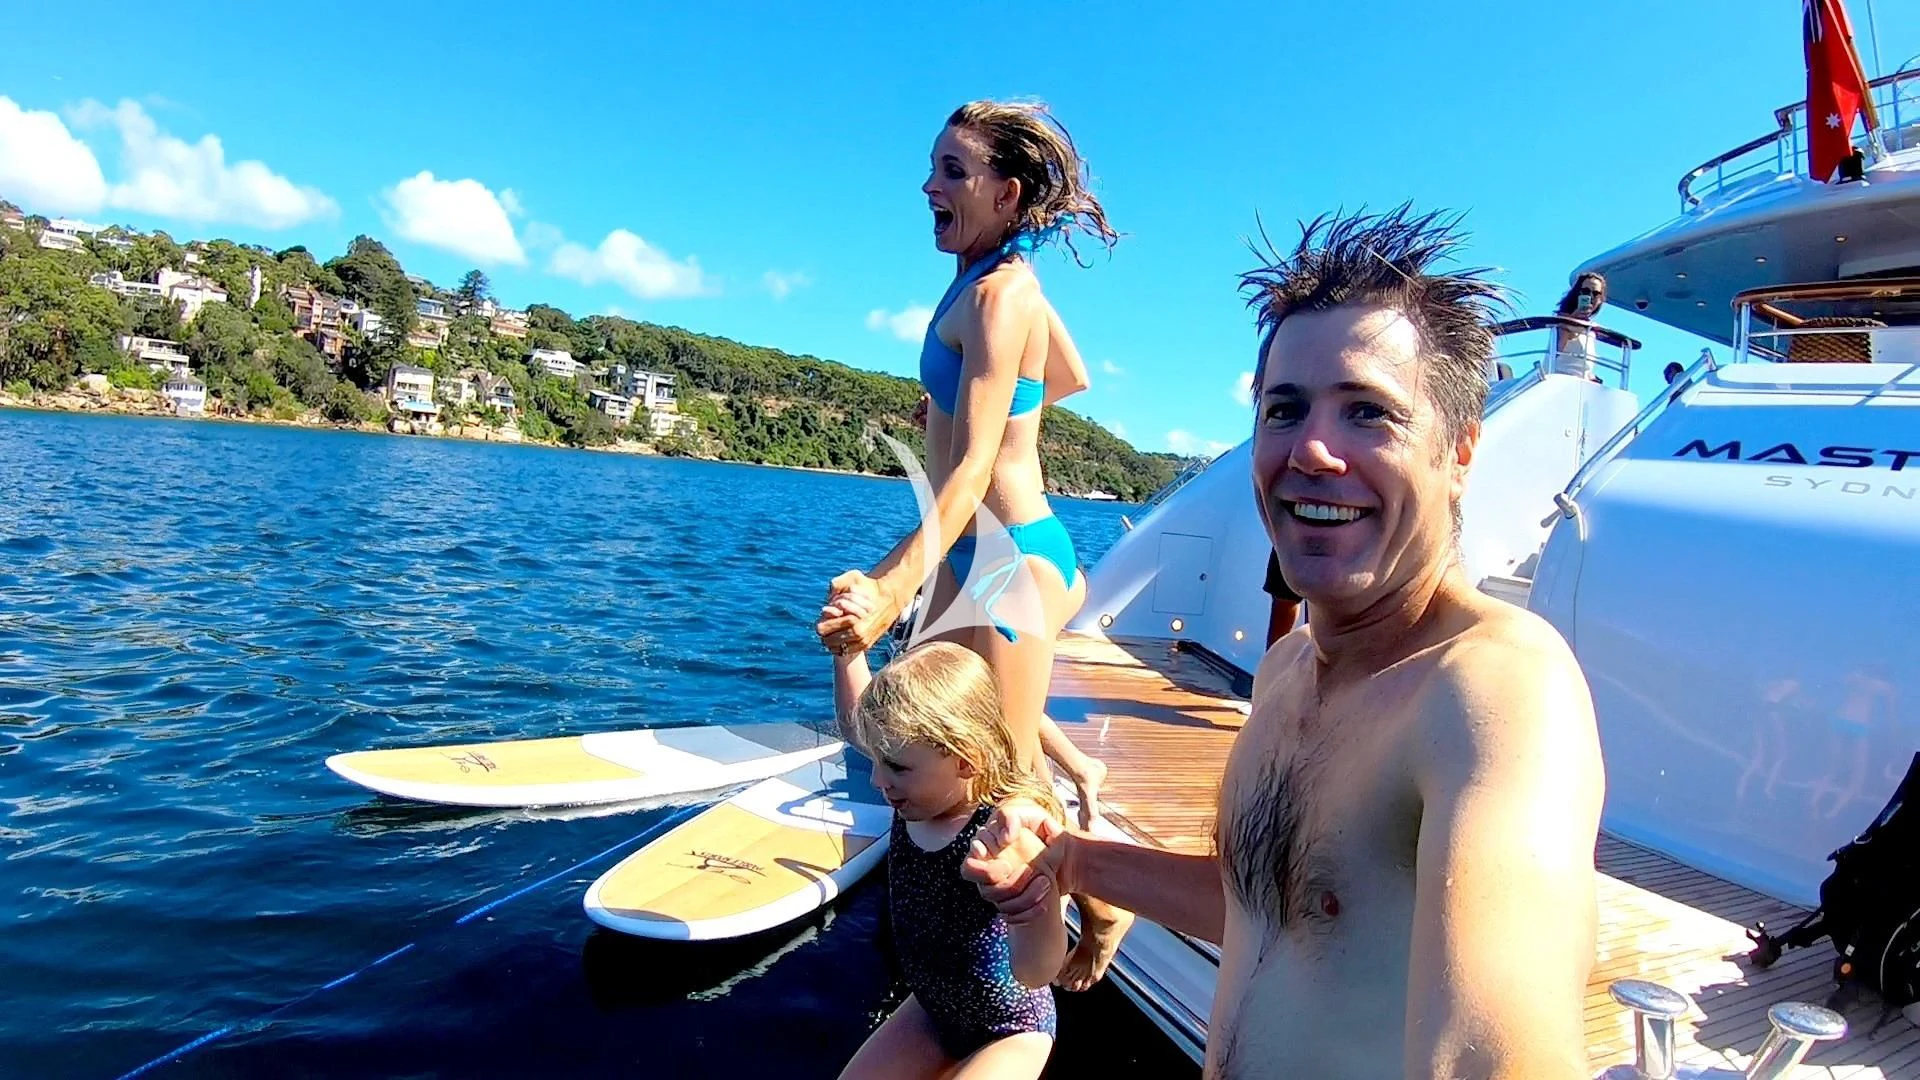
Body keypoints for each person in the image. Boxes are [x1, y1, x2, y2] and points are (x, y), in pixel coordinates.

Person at [962, 205, 1607, 1079]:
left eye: (1368, 414)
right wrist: (1071, 859)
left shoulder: (1495, 689)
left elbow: (1492, 1054)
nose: (1311, 448)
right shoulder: (1288, 667)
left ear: (1460, 453)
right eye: (1284, 409)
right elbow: (1269, 909)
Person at [815, 98, 1132, 989]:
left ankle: (1104, 914)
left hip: (1007, 560)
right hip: (982, 556)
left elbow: (970, 475)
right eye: (934, 167)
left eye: (953, 170)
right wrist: (957, 405)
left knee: (1013, 780)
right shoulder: (995, 277)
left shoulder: (1000, 293)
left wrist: (886, 586)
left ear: (1007, 189)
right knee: (914, 729)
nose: (930, 185)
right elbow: (1068, 376)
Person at [828, 625, 1068, 1080]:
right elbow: (858, 724)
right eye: (878, 761)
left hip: (1011, 1028)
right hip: (935, 1010)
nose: (878, 780)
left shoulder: (999, 836)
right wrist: (847, 651)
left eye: (894, 766)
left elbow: (1039, 971)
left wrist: (1030, 909)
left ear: (965, 760)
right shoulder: (918, 792)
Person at [1550, 272, 1607, 380]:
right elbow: (1557, 350)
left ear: (1600, 300)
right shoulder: (1561, 319)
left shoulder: (1591, 330)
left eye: (1595, 293)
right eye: (1585, 291)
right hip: (1560, 382)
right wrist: (1574, 318)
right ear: (1577, 293)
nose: (1590, 296)